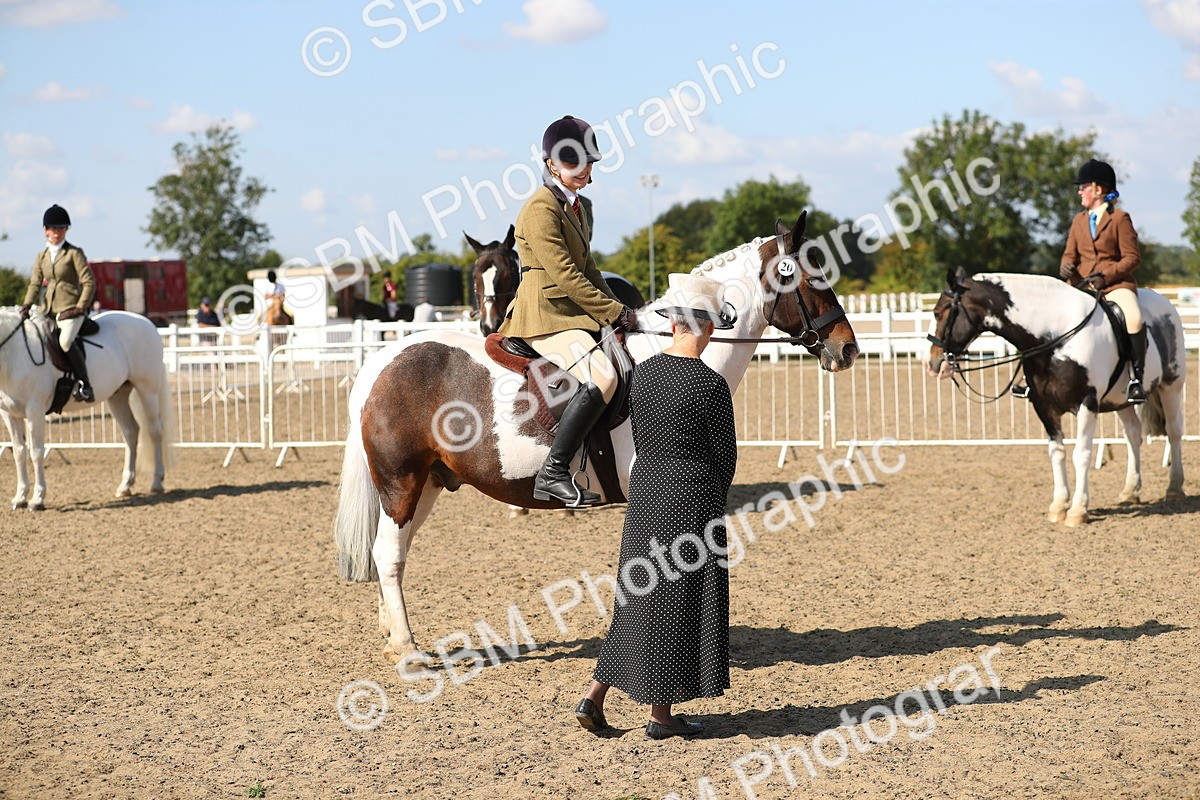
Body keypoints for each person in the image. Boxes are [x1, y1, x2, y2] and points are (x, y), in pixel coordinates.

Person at [575, 273, 737, 740]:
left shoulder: (643, 376)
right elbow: (724, 457)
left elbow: (642, 441)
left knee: (636, 597)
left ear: (674, 326)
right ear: (705, 327)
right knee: (676, 602)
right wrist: (714, 507)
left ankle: (595, 693)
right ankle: (661, 719)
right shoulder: (710, 385)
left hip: (646, 495)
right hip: (692, 498)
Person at [498, 114, 640, 507]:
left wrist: (621, 307)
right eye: (575, 162)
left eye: (589, 162)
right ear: (551, 164)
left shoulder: (572, 206)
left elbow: (590, 267)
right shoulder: (540, 208)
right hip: (545, 315)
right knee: (604, 375)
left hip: (570, 313)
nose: (585, 169)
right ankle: (553, 472)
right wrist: (610, 312)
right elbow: (564, 274)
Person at [1060, 158, 1146, 403]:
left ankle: (1135, 378)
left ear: (1098, 189)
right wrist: (1066, 268)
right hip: (1082, 287)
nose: (1079, 191)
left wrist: (1106, 276)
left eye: (1083, 186)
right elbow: (1069, 255)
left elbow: (1132, 258)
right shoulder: (1078, 221)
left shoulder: (1119, 219)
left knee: (1134, 317)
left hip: (1115, 285)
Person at [19, 204, 96, 402]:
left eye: (61, 228)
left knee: (65, 342)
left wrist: (81, 307)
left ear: (66, 230)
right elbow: (35, 284)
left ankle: (85, 384)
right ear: (45, 230)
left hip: (71, 309)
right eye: (53, 228)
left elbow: (88, 281)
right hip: (48, 309)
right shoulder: (41, 257)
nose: (56, 232)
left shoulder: (73, 253)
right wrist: (26, 305)